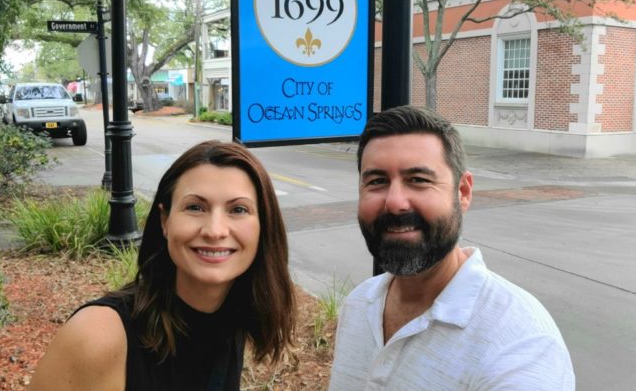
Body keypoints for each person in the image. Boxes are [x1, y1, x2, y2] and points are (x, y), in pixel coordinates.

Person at [329, 106, 575, 390]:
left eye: (418, 180)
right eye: (377, 181)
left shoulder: (520, 345)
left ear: (463, 192)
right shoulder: (359, 305)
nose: (395, 202)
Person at [30, 140, 295, 391]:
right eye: (195, 207)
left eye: (238, 210)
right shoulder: (98, 336)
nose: (215, 231)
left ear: (263, 226)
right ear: (165, 220)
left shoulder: (234, 312)